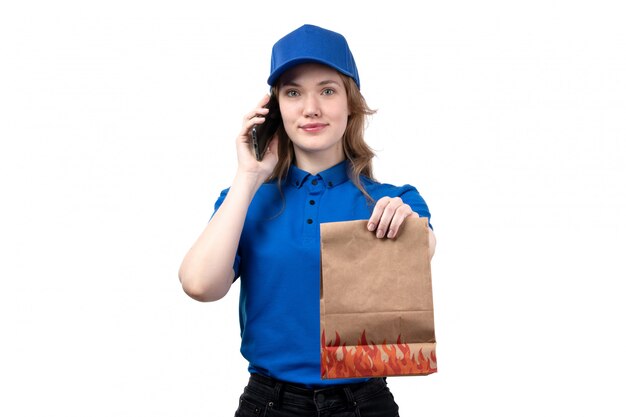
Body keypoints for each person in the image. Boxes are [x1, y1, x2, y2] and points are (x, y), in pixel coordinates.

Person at [179, 24, 436, 417]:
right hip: (269, 404)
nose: (310, 107)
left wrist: (409, 227)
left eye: (327, 90)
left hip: (363, 403)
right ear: (276, 108)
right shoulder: (244, 200)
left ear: (350, 103)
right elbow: (199, 285)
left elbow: (428, 247)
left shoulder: (393, 199)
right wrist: (248, 177)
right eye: (293, 92)